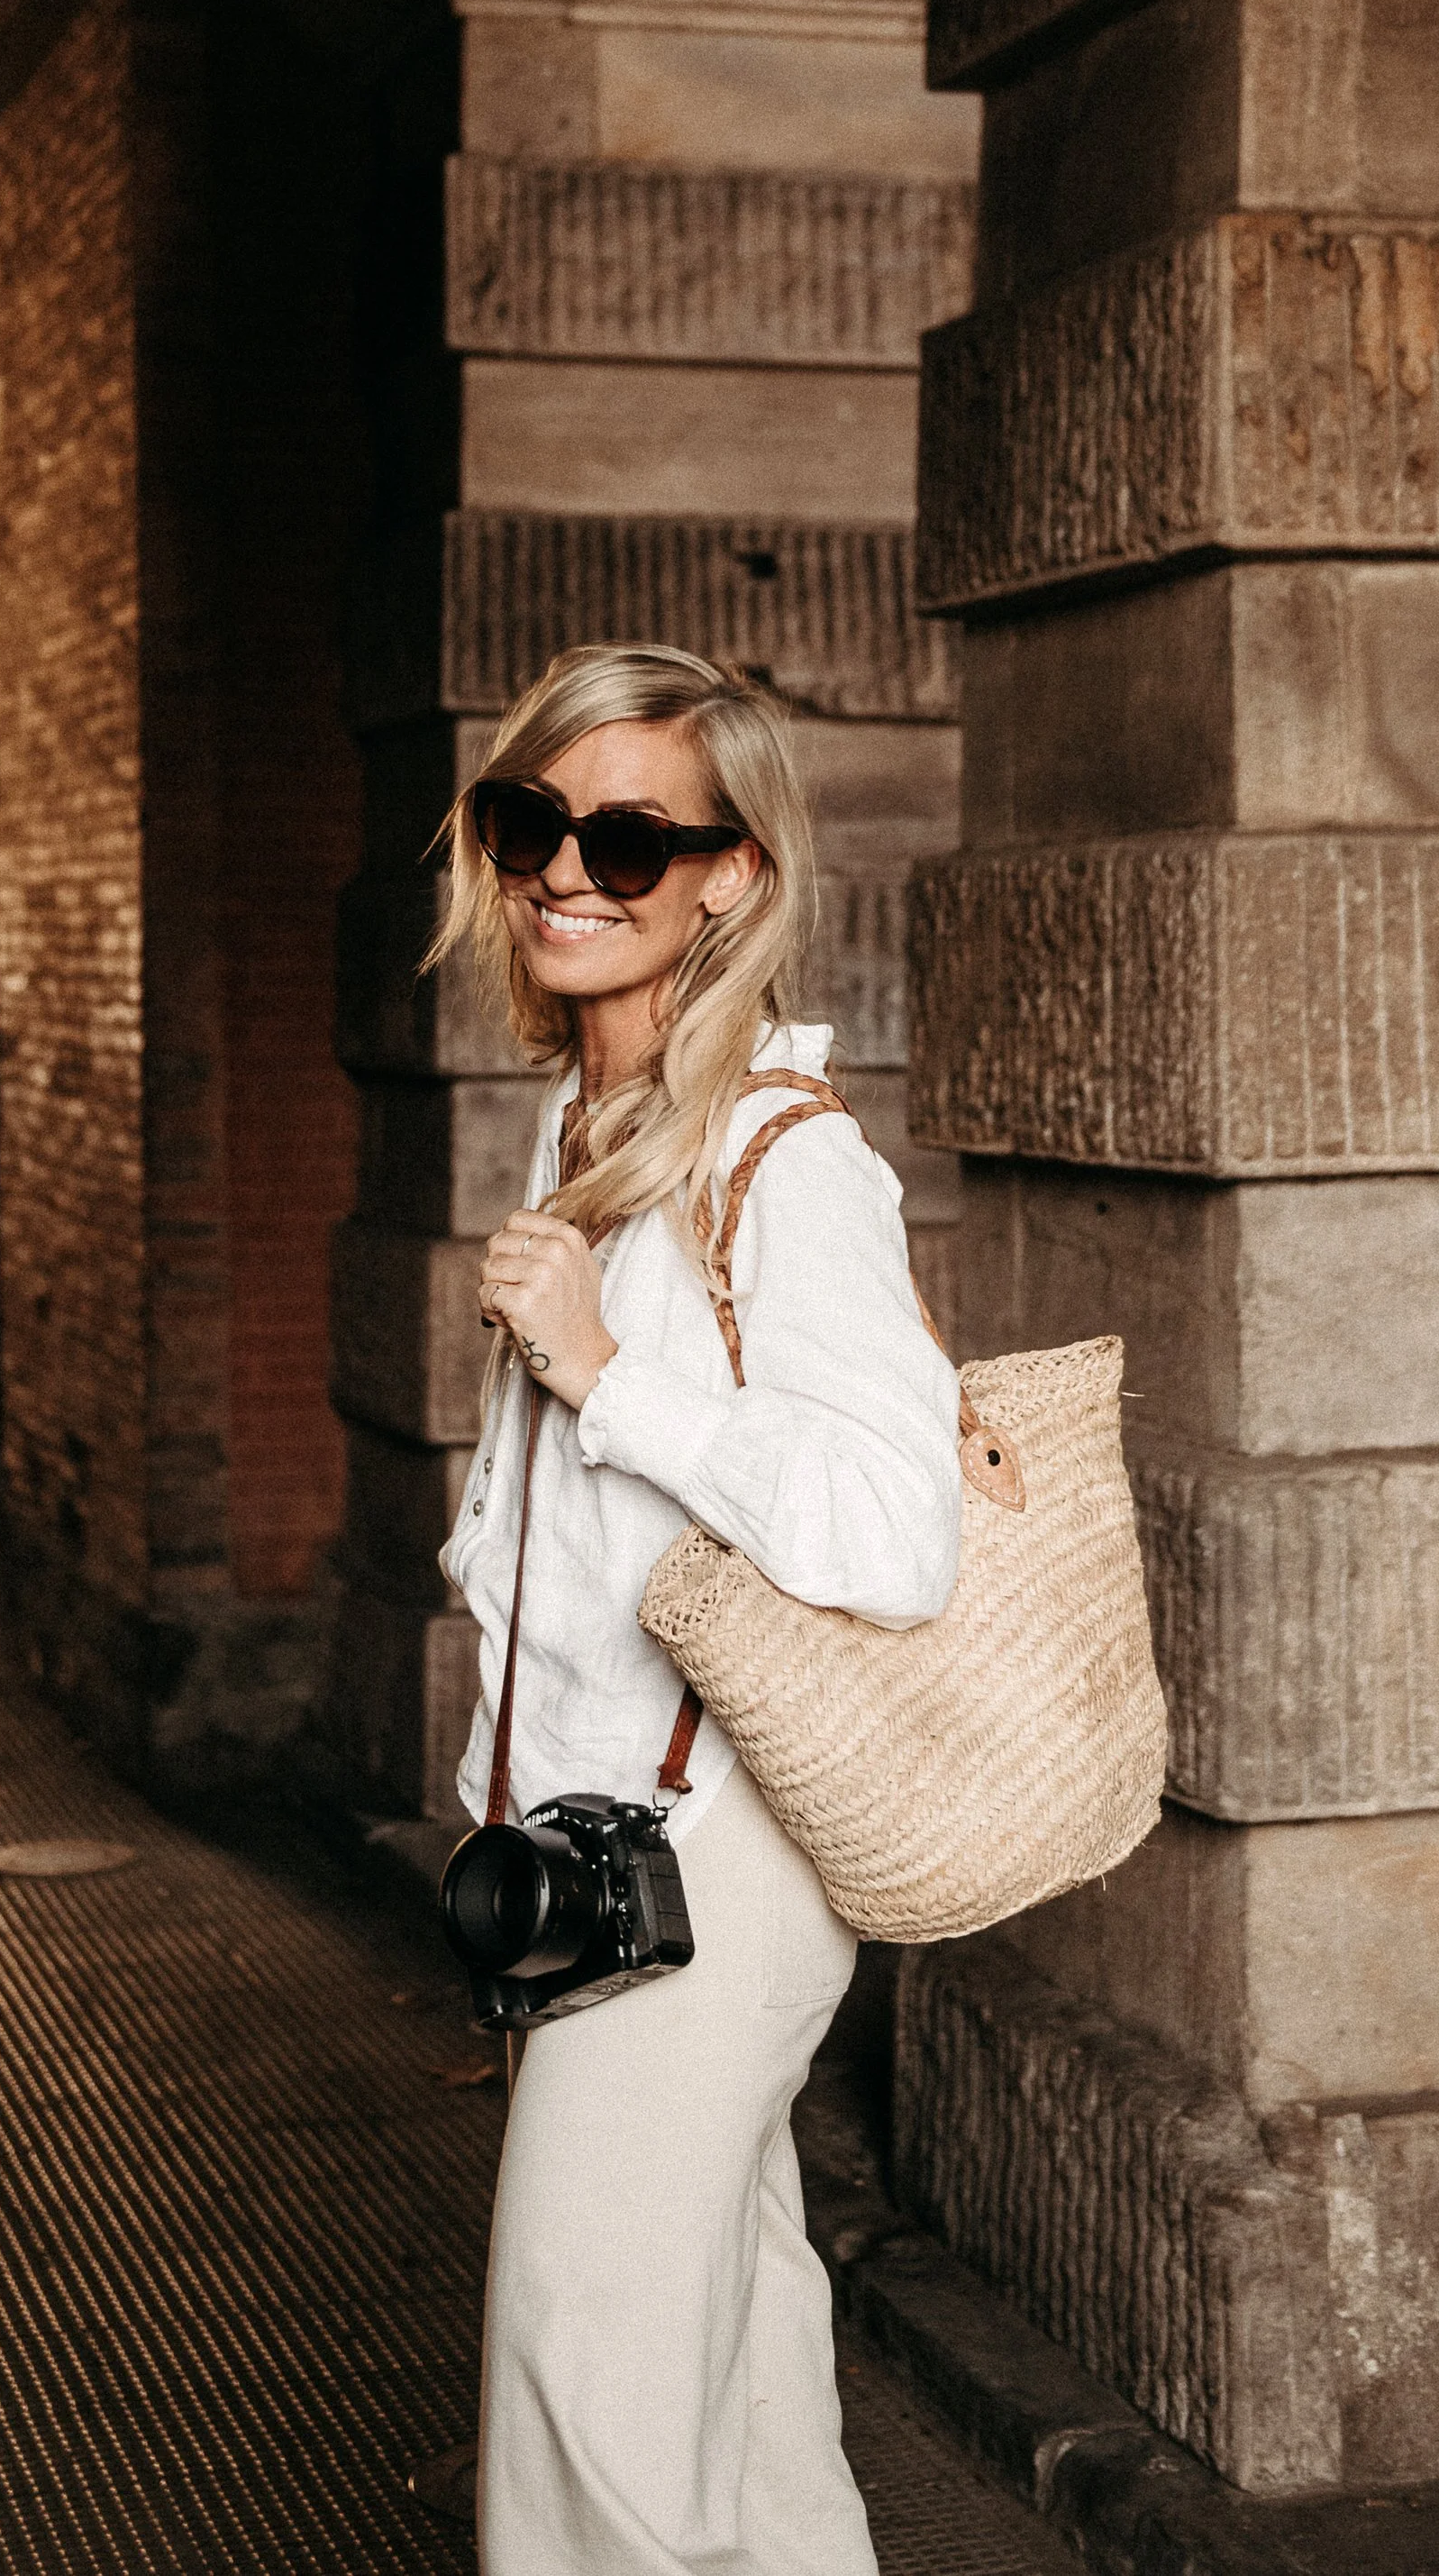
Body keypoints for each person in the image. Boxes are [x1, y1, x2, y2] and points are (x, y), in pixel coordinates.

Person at [428, 640, 963, 2576]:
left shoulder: (779, 1161)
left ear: (730, 873)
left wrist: (602, 1374)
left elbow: (894, 1530)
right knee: (728, 2374)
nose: (567, 871)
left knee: (586, 2379)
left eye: (628, 836)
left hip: (709, 1855)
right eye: (529, 822)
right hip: (594, 1836)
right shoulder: (587, 1126)